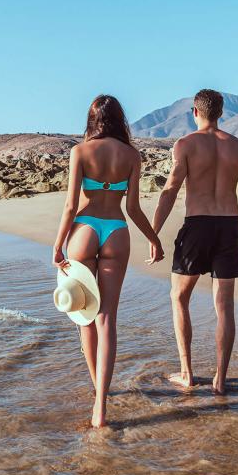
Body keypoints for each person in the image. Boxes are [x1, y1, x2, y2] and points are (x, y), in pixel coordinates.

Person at [52, 94, 164, 427]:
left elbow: (70, 206)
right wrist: (154, 239)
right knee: (107, 319)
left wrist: (57, 245)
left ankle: (96, 389)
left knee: (85, 317)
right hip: (116, 231)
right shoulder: (131, 155)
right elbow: (133, 208)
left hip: (84, 230)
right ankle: (101, 404)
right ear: (119, 119)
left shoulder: (80, 152)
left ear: (92, 120)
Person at [152, 89, 238, 394]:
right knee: (224, 307)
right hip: (229, 227)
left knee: (178, 297)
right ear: (221, 113)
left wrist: (153, 233)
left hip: (197, 227)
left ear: (195, 112)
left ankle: (187, 373)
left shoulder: (185, 144)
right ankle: (220, 381)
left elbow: (170, 191)